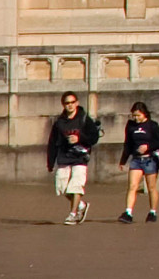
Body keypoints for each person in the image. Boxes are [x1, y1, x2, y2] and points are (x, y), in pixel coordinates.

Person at [46, 91, 101, 225]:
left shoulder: (84, 119)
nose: (69, 105)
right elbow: (52, 142)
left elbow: (94, 138)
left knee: (76, 186)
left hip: (80, 157)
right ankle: (81, 205)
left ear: (76, 103)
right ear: (63, 105)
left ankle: (73, 214)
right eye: (67, 103)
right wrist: (50, 162)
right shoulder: (59, 123)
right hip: (64, 156)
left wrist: (79, 138)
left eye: (72, 102)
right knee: (62, 187)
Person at [118, 102, 159, 223]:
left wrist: (148, 146)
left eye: (138, 115)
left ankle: (152, 212)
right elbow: (128, 144)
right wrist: (123, 160)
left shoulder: (152, 125)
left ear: (144, 114)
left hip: (149, 159)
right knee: (132, 186)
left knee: (151, 187)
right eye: (134, 116)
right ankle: (128, 212)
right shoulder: (130, 126)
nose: (136, 118)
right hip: (136, 159)